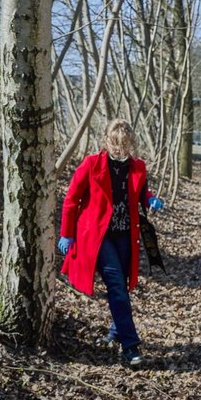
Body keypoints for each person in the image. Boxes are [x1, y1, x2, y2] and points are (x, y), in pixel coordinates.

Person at [57, 119, 164, 367]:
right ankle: (130, 346)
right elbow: (71, 200)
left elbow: (142, 194)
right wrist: (66, 233)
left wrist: (151, 201)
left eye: (124, 144)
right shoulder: (91, 164)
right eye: (115, 143)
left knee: (122, 286)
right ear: (107, 141)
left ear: (131, 143)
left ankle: (116, 331)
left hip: (126, 234)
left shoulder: (138, 167)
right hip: (98, 236)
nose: (119, 149)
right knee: (115, 282)